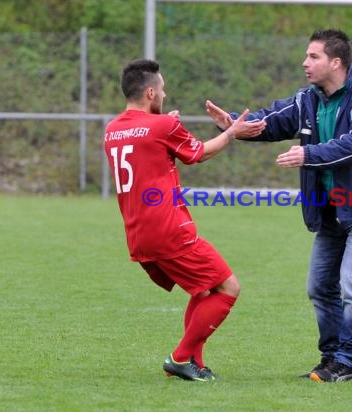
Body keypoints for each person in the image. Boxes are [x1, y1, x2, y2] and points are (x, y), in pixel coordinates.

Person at [205, 29, 352, 383]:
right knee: (319, 287)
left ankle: (348, 361)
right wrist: (233, 124)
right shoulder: (307, 100)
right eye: (306, 56)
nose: (304, 63)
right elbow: (271, 120)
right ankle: (331, 359)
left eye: (313, 57)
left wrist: (310, 154)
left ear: (335, 62)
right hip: (329, 212)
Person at [103, 59, 265, 382]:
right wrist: (232, 132)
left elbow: (146, 146)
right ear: (151, 92)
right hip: (169, 230)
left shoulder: (112, 129)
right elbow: (199, 153)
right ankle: (179, 358)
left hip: (138, 233)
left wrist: (164, 123)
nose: (164, 94)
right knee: (228, 287)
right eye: (162, 90)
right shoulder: (161, 126)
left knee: (202, 290)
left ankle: (194, 362)